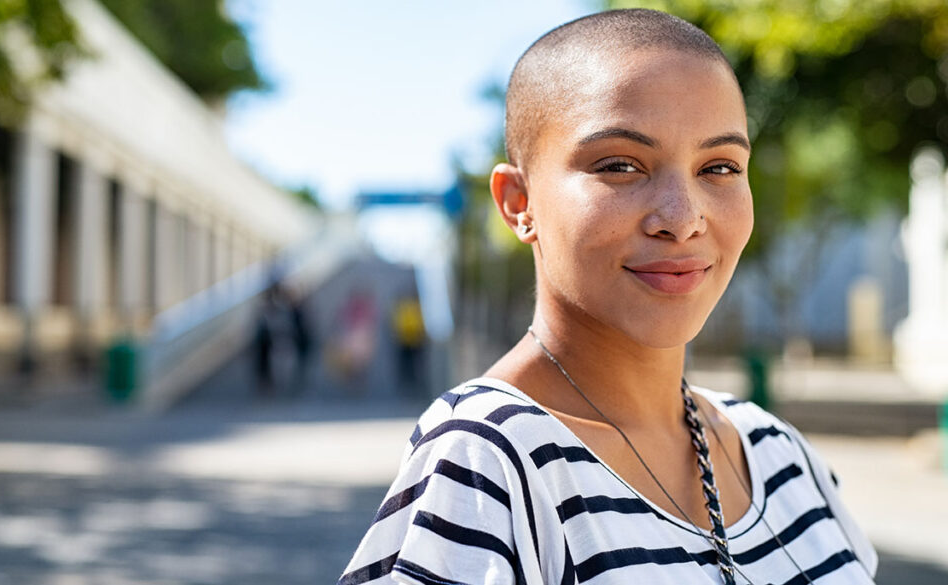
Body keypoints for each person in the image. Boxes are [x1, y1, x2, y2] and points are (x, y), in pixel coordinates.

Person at [339, 9, 877, 585]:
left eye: (718, 166)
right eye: (620, 165)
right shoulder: (488, 465)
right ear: (519, 202)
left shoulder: (778, 452)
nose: (682, 218)